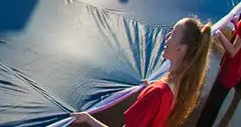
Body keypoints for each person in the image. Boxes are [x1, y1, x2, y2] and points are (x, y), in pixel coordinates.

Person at [71, 17, 212, 127]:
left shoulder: (156, 93)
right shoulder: (180, 85)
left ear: (180, 50)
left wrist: (88, 119)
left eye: (173, 34)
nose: (167, 36)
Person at [196, 13, 241, 126]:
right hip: (233, 71)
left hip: (229, 72)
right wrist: (236, 24)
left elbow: (233, 51)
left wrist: (219, 35)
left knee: (211, 107)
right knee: (214, 105)